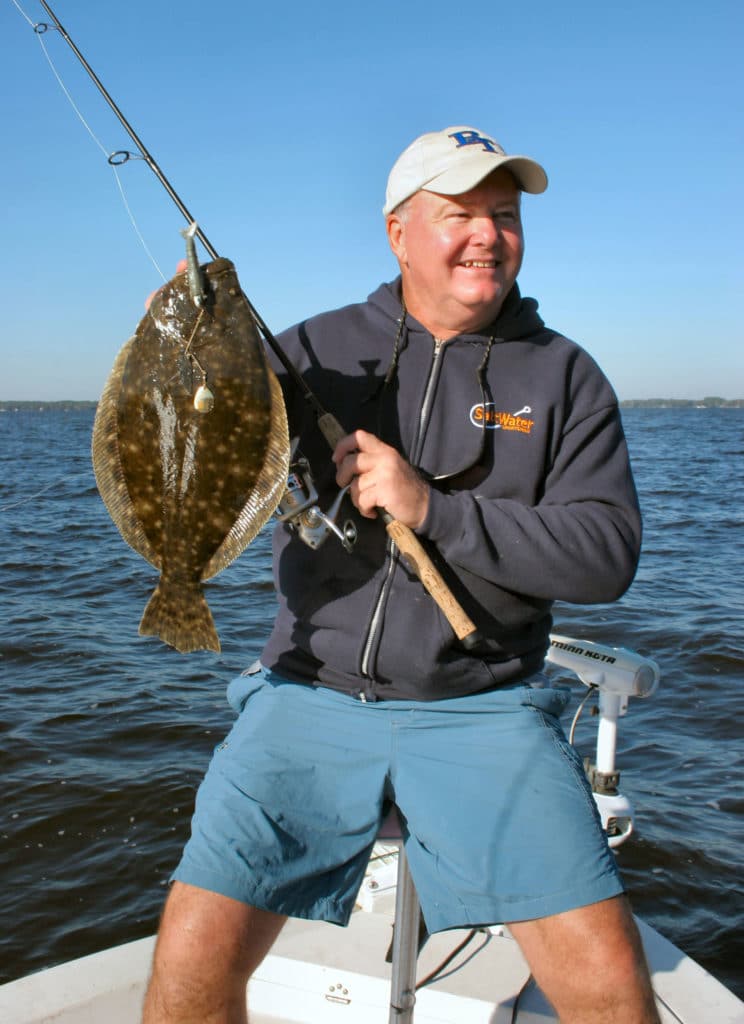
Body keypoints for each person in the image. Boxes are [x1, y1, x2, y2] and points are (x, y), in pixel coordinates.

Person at [143, 125, 660, 1023]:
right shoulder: (307, 351)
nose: (488, 235)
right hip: (307, 690)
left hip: (483, 702)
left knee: (611, 984)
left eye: (504, 215)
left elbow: (606, 555)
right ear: (397, 232)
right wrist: (180, 344)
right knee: (192, 947)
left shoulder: (565, 376)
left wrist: (433, 509)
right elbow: (193, 432)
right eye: (460, 214)